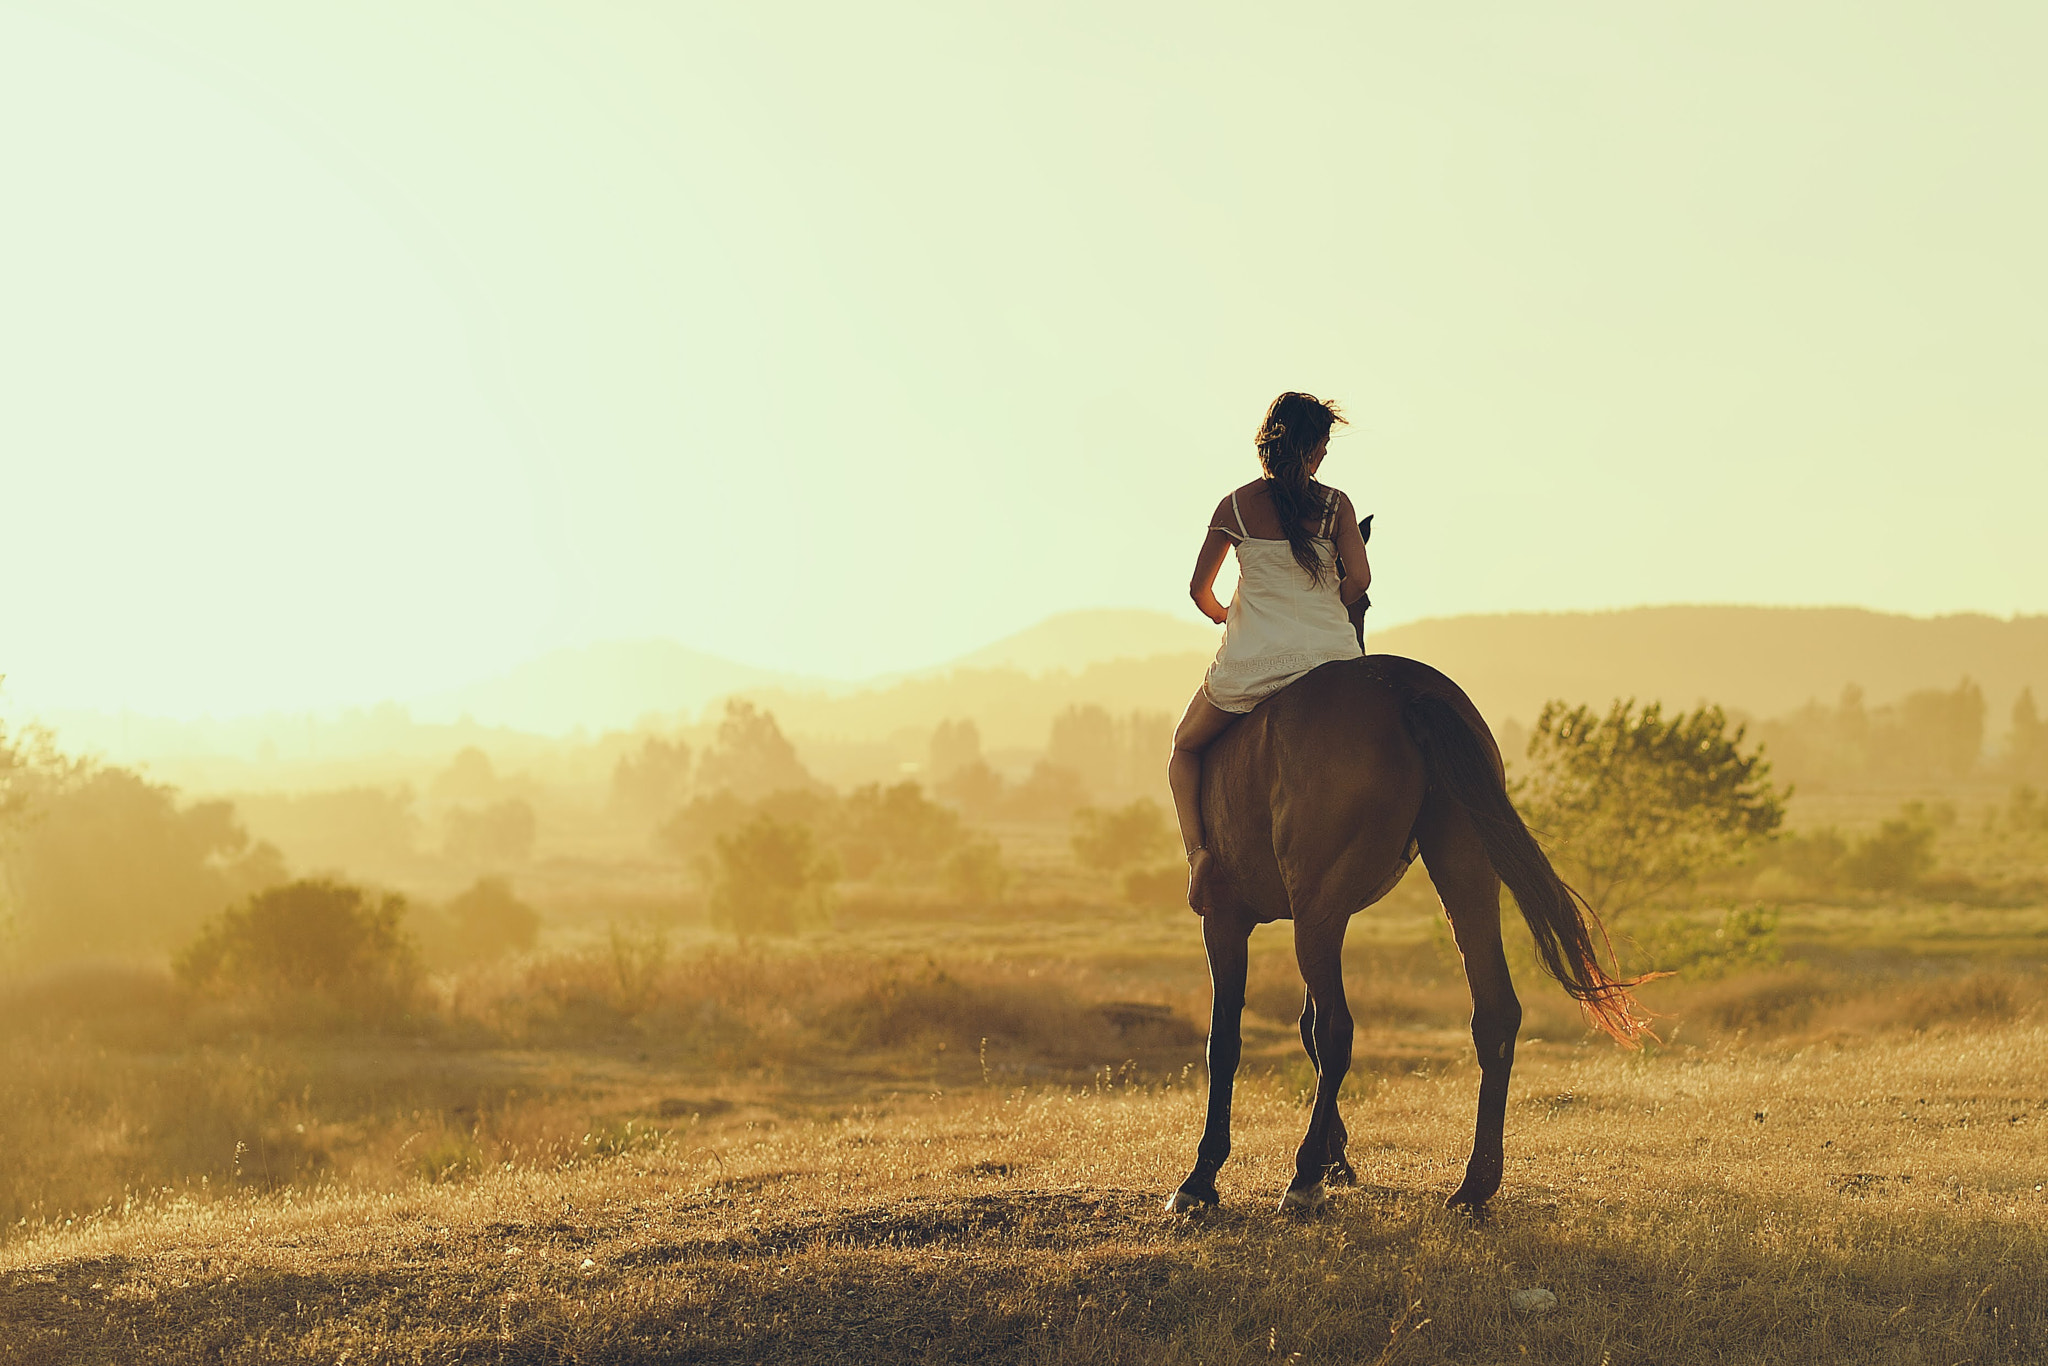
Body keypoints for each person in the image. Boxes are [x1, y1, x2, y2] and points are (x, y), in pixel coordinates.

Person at [1169, 391, 1373, 912]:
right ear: (1310, 449)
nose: (1326, 456)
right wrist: (1332, 600)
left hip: (1254, 664)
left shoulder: (1235, 506)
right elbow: (1361, 579)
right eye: (1323, 446)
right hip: (1333, 659)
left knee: (1185, 749)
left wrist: (1223, 615)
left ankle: (1197, 857)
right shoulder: (1337, 506)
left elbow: (1199, 590)